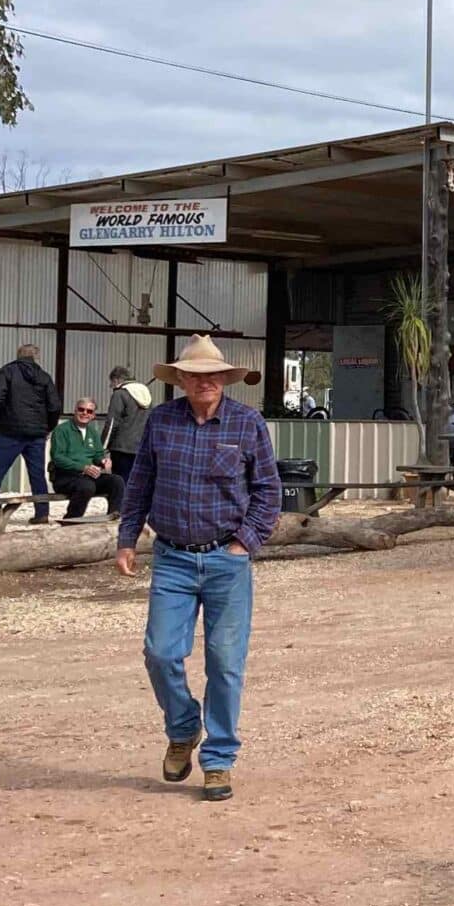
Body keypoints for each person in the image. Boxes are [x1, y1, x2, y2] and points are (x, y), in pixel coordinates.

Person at [115, 337, 281, 804]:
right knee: (161, 653)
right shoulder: (161, 421)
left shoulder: (247, 423)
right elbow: (140, 482)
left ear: (225, 379)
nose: (204, 382)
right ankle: (184, 727)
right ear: (181, 380)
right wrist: (127, 539)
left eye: (212, 375)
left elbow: (268, 491)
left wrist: (244, 543)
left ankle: (219, 758)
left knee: (225, 663)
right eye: (194, 375)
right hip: (172, 557)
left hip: (227, 560)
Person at [0, 341, 61, 522]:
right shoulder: (44, 377)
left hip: (10, 431)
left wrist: (0, 417)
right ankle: (42, 513)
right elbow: (55, 405)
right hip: (37, 434)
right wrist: (48, 427)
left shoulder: (7, 372)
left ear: (18, 355)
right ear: (36, 357)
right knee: (37, 474)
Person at [48, 397, 116, 520]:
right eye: (81, 409)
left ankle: (114, 516)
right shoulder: (61, 430)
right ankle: (71, 519)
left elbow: (98, 454)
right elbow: (58, 457)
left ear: (93, 415)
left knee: (116, 481)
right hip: (65, 476)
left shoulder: (93, 432)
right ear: (75, 411)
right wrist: (83, 468)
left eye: (89, 411)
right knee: (86, 486)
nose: (85, 413)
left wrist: (103, 461)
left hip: (89, 476)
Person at [104, 365, 153, 484]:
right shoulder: (147, 395)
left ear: (116, 380)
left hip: (121, 448)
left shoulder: (120, 394)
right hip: (141, 447)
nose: (111, 386)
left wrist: (103, 446)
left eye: (112, 383)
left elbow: (112, 423)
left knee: (120, 483)